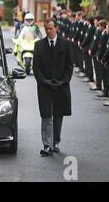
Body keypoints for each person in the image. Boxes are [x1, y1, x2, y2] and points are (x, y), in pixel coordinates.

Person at [33, 19, 73, 156]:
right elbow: (36, 67)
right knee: (46, 115)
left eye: (51, 28)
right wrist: (43, 81)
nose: (48, 31)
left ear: (56, 28)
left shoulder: (65, 44)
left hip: (61, 86)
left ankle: (55, 141)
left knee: (58, 114)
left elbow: (69, 66)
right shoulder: (38, 45)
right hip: (44, 86)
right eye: (46, 29)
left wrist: (63, 81)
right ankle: (47, 145)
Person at [95, 19, 109, 98]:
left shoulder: (106, 35)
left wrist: (100, 56)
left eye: (99, 26)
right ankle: (105, 90)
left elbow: (103, 47)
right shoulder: (102, 33)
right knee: (103, 74)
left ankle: (106, 90)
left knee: (105, 75)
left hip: (104, 57)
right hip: (101, 56)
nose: (98, 27)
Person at [89, 16, 103, 91]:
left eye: (95, 20)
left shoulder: (100, 31)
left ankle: (99, 85)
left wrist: (93, 50)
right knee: (97, 70)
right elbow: (93, 41)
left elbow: (97, 43)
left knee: (98, 70)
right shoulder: (97, 30)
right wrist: (91, 49)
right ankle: (98, 84)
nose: (94, 21)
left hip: (97, 53)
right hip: (94, 52)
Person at [80, 16, 96, 82]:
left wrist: (82, 44)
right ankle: (87, 74)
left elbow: (88, 37)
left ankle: (90, 76)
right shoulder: (88, 27)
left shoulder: (92, 28)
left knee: (88, 62)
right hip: (85, 46)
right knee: (86, 61)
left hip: (87, 46)